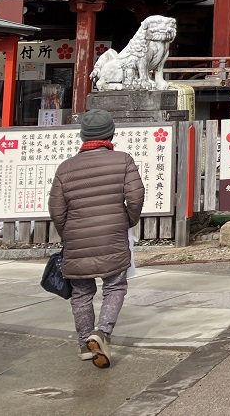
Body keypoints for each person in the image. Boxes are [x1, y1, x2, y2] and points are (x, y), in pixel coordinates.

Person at [48, 108, 145, 368]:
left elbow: (56, 210)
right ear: (111, 135)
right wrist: (127, 220)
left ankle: (84, 344)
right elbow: (135, 197)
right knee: (115, 286)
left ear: (82, 136)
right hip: (112, 235)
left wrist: (68, 232)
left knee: (81, 292)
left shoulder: (65, 168)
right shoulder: (123, 161)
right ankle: (101, 332)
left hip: (76, 239)